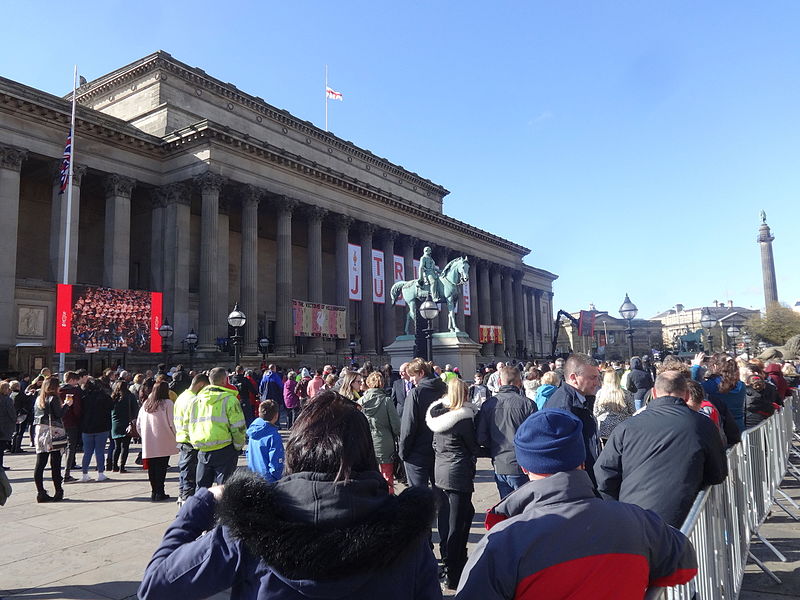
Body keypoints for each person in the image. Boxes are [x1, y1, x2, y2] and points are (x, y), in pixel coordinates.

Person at [138, 390, 442, 600]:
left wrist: (200, 505)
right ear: (365, 453)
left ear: (296, 447)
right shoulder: (408, 536)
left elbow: (156, 587)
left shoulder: (249, 529)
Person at [457, 409, 698, 598]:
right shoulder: (637, 521)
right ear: (582, 460)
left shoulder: (504, 540)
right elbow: (685, 566)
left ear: (524, 467)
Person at [594, 371, 728, 527]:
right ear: (685, 395)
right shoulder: (702, 425)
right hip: (682, 518)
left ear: (654, 393)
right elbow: (717, 473)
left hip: (635, 517)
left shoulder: (627, 428)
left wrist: (618, 506)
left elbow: (604, 473)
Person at [426, 378, 479, 590]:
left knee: (448, 520)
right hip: (458, 474)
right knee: (458, 523)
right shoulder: (463, 420)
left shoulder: (436, 417)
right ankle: (453, 571)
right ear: (464, 395)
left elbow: (433, 444)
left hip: (440, 471)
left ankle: (449, 561)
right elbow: (473, 447)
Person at [477, 366, 536, 499]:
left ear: (499, 382)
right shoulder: (528, 404)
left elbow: (481, 437)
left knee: (507, 507)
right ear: (519, 382)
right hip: (522, 463)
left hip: (500, 462)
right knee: (526, 507)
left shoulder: (489, 404)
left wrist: (494, 446)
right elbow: (535, 436)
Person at [542, 353, 601, 485]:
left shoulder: (581, 399)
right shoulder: (564, 407)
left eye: (598, 377)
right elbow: (565, 453)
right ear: (574, 378)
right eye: (592, 378)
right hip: (576, 481)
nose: (597, 383)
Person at [189, 367, 246, 490]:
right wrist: (238, 445)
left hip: (203, 448)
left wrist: (196, 442)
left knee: (202, 489)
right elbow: (238, 427)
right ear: (225, 380)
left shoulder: (196, 400)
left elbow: (191, 424)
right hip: (225, 448)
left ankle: (202, 509)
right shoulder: (230, 400)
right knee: (225, 489)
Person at [358, 371, 401, 493]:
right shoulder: (387, 401)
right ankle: (388, 499)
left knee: (370, 474)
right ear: (382, 384)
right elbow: (396, 426)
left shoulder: (360, 402)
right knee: (387, 474)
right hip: (385, 442)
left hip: (367, 443)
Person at [137, 381, 178, 501]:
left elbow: (139, 424)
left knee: (152, 467)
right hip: (164, 439)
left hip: (149, 440)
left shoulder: (146, 404)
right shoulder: (168, 404)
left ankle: (154, 491)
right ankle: (160, 491)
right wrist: (177, 436)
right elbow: (173, 423)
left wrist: (144, 435)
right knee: (162, 467)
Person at [174, 373, 209, 505]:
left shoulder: (182, 396)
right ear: (200, 385)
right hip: (191, 441)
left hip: (182, 439)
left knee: (184, 475)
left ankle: (182, 499)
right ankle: (187, 508)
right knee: (190, 478)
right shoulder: (194, 400)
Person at [701, 354, 747, 433]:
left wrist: (695, 367)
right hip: (738, 426)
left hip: (720, 427)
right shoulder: (741, 385)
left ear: (715, 366)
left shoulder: (709, 385)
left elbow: (693, 388)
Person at [79, 378, 114, 483]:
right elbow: (111, 408)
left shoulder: (84, 398)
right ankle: (100, 473)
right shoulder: (105, 397)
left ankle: (85, 474)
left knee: (87, 452)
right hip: (102, 427)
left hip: (87, 427)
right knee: (100, 451)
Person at [245, 400, 284, 482]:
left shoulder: (253, 431)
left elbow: (248, 453)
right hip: (269, 480)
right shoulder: (274, 436)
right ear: (276, 416)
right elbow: (276, 462)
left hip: (253, 475)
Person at [594, 368, 634, 442]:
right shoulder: (626, 394)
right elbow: (632, 411)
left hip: (605, 429)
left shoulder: (600, 393)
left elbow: (595, 412)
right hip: (622, 427)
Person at [110, 380, 138, 472]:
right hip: (127, 424)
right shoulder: (130, 396)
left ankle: (114, 466)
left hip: (115, 424)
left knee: (116, 446)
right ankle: (122, 466)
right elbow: (135, 409)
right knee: (125, 447)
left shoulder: (114, 397)